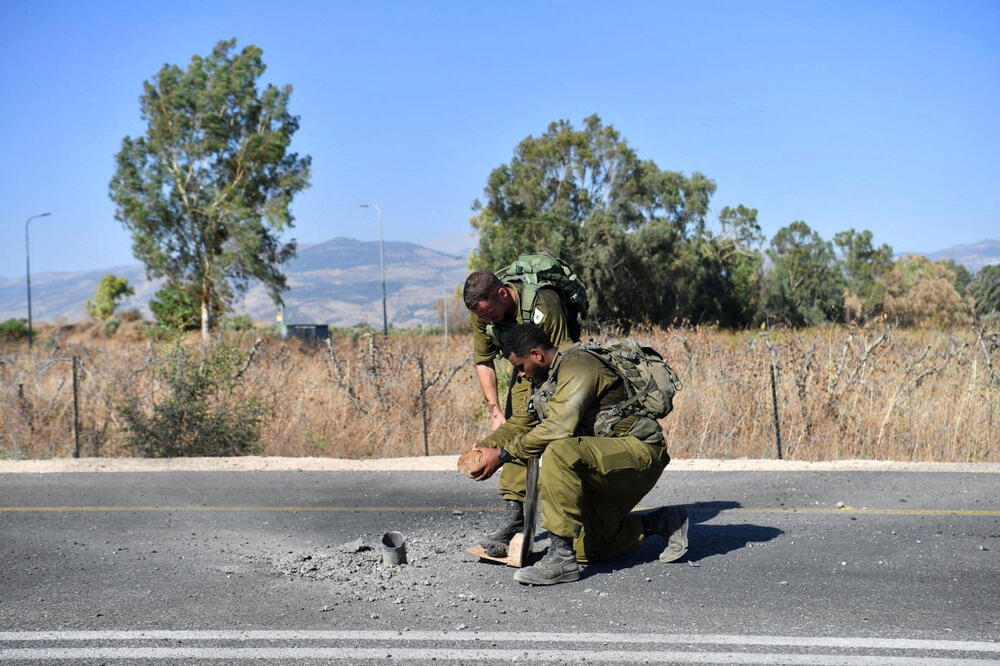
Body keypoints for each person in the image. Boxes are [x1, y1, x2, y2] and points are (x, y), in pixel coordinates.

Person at [467, 323, 688, 585]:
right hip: (600, 458)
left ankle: (561, 560)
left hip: (638, 451)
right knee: (589, 548)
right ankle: (661, 522)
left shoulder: (579, 365)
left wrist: (503, 454)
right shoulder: (545, 380)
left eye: (520, 367)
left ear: (537, 355)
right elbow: (520, 424)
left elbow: (558, 428)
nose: (520, 376)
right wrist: (484, 448)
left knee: (558, 451)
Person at [462, 270, 580, 556]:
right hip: (524, 369)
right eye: (483, 317)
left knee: (555, 434)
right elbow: (483, 361)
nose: (488, 321)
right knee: (514, 428)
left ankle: (567, 524)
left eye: (491, 313)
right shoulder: (482, 312)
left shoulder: (544, 303)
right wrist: (494, 410)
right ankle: (515, 519)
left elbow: (564, 357)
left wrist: (552, 404)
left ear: (503, 293)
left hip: (556, 365)